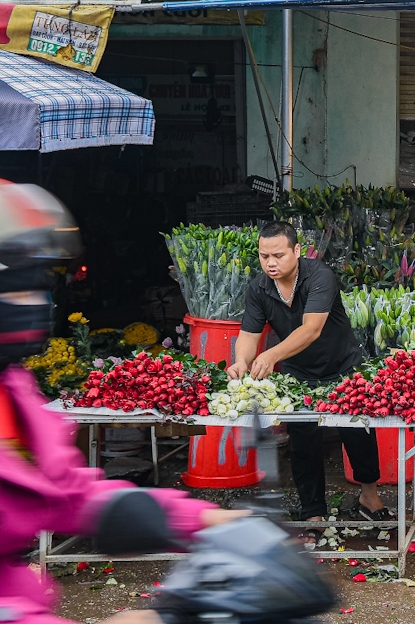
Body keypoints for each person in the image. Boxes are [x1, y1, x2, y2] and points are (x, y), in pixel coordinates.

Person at [0, 182, 243, 624]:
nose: (35, 302)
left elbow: (69, 494)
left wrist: (212, 522)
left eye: (41, 285)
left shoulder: (12, 387)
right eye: (15, 286)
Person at [231, 220, 390, 526]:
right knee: (303, 442)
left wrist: (272, 354)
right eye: (264, 256)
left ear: (298, 251)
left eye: (278, 255)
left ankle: (369, 496)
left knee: (359, 435)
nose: (271, 263)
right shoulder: (259, 288)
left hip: (343, 368)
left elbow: (312, 329)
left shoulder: (320, 277)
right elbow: (249, 334)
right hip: (298, 373)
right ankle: (313, 512)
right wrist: (240, 361)